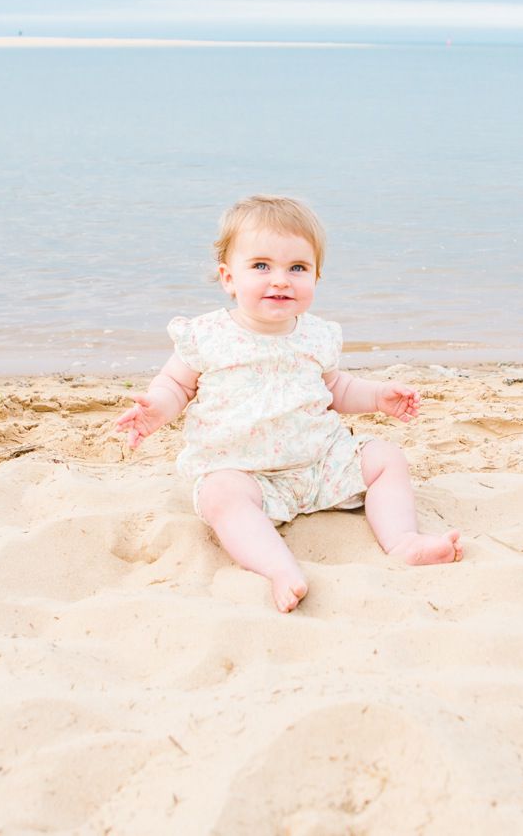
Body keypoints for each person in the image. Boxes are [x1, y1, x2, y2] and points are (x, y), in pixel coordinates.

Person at [115, 194, 462, 612]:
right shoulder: (206, 335)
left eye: (297, 268)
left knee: (386, 456)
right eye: (261, 266)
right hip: (246, 471)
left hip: (319, 463)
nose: (280, 280)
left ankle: (402, 541)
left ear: (317, 276)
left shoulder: (317, 336)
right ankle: (279, 568)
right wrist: (156, 407)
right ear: (228, 277)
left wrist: (376, 396)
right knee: (220, 495)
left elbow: (335, 389)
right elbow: (176, 384)